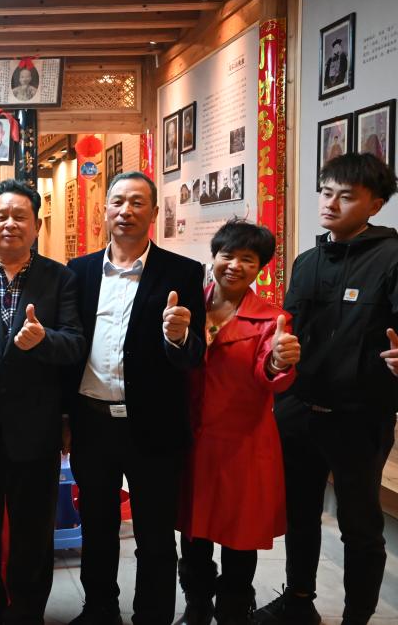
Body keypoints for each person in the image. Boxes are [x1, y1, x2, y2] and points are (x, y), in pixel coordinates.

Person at [254, 153, 398, 625]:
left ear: (375, 204)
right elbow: (288, 329)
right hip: (299, 409)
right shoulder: (308, 261)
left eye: (346, 196)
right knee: (300, 513)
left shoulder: (392, 258)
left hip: (360, 415)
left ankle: (357, 616)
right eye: (326, 192)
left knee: (360, 525)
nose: (330, 204)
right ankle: (299, 602)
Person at [0, 179, 87, 625]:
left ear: (36, 225)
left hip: (34, 429)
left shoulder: (60, 277)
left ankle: (26, 613)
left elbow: (75, 343)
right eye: (1, 216)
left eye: (20, 216)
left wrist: (44, 340)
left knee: (33, 535)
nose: (10, 224)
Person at [65, 172, 206, 625]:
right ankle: (99, 608)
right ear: (105, 209)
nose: (126, 210)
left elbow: (194, 355)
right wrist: (64, 417)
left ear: (154, 212)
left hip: (154, 424)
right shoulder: (78, 271)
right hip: (92, 421)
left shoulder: (183, 272)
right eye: (118, 201)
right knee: (98, 526)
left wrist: (178, 337)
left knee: (155, 534)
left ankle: (152, 615)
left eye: (138, 202)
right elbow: (70, 348)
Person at [176, 220, 300, 625]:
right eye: (227, 255)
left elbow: (271, 373)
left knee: (239, 539)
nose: (235, 265)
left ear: (260, 268)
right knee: (193, 534)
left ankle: (234, 612)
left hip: (243, 446)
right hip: (193, 442)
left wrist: (278, 362)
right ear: (213, 257)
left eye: (248, 259)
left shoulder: (271, 319)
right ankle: (196, 606)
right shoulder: (187, 310)